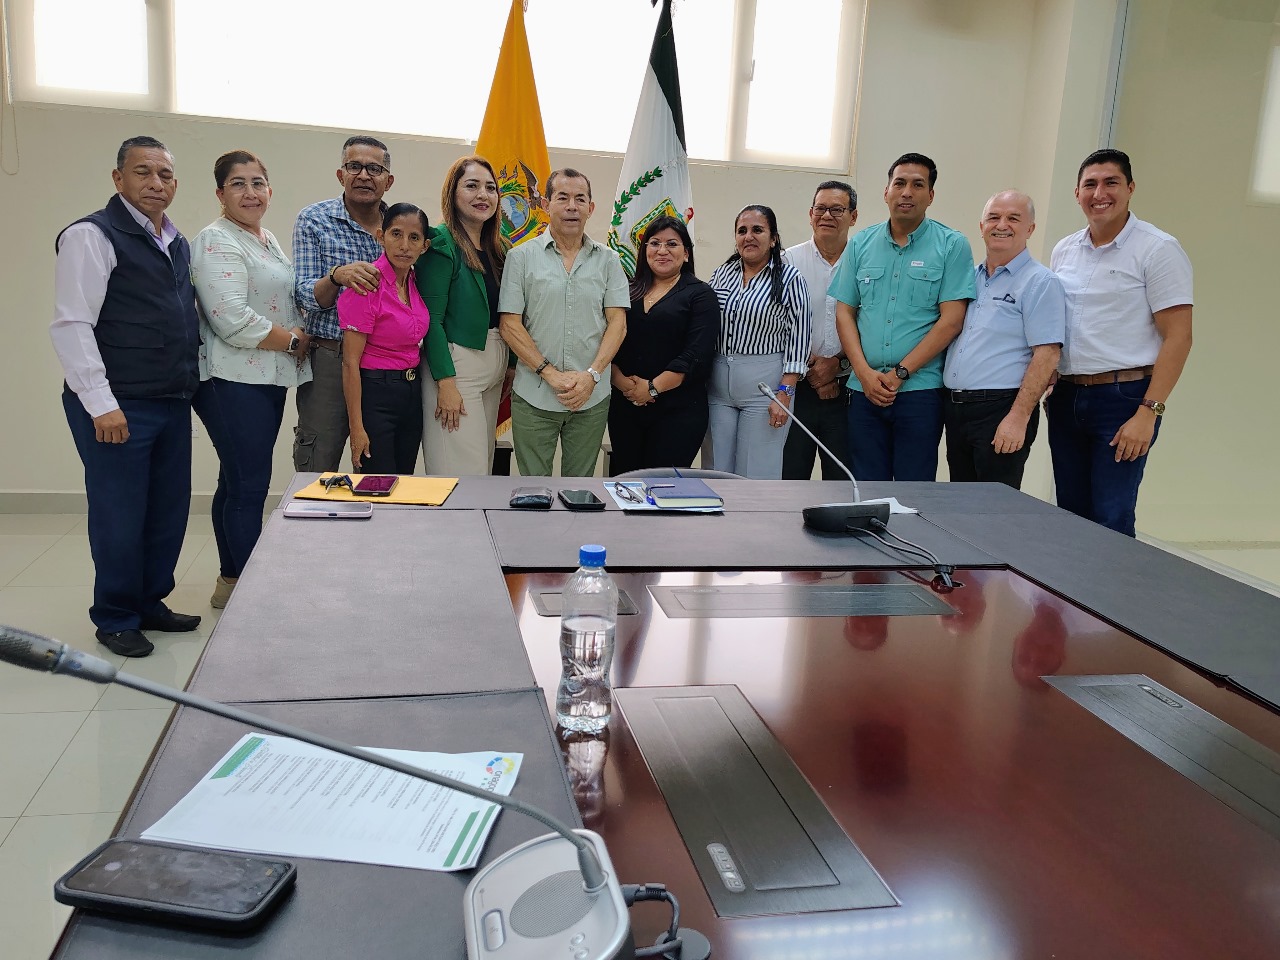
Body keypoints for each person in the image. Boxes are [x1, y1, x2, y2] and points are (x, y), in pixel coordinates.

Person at [51, 136, 202, 658]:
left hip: (171, 398)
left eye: (165, 174)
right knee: (120, 513)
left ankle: (148, 602)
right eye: (143, 172)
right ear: (118, 179)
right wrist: (101, 403)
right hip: (118, 404)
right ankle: (115, 616)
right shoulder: (91, 236)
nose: (155, 183)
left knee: (166, 509)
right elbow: (72, 324)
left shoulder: (175, 241)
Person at [1046, 148, 1193, 537]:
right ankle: (1074, 582)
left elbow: (1179, 336)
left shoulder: (1157, 248)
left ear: (1130, 188)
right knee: (1070, 515)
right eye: (1090, 185)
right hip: (1067, 397)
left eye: (1111, 182)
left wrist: (1149, 411)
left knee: (1111, 517)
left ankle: (1116, 582)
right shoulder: (1064, 250)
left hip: (1124, 400)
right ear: (1077, 193)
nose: (1100, 194)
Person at [191, 150, 312, 610]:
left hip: (263, 378)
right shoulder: (216, 239)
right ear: (220, 193)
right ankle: (248, 592)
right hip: (231, 379)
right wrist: (293, 341)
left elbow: (280, 297)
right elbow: (231, 319)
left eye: (257, 183)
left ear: (269, 191)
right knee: (248, 485)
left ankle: (231, 581)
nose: (250, 192)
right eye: (238, 184)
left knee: (237, 480)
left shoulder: (265, 238)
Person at [831, 152, 976, 481]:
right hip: (863, 390)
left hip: (919, 393)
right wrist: (863, 373)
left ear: (931, 195)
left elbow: (951, 320)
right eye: (899, 183)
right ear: (886, 192)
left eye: (917, 185)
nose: (907, 192)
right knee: (866, 488)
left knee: (914, 490)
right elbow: (844, 312)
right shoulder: (861, 244)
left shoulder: (952, 245)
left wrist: (900, 373)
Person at [498, 168, 629, 477]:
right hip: (535, 395)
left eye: (580, 199)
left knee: (579, 490)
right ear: (546, 204)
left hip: (591, 397)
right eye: (563, 198)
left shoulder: (609, 261)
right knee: (534, 490)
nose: (572, 206)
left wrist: (591, 376)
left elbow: (618, 324)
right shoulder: (520, 257)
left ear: (590, 208)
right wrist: (551, 375)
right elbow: (510, 325)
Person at [942, 191, 1064, 490]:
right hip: (957, 409)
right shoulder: (969, 279)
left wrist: (1018, 417)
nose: (1001, 225)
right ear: (981, 226)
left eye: (1013, 218)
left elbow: (1047, 354)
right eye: (994, 217)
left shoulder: (1040, 282)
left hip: (1001, 409)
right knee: (959, 504)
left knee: (994, 508)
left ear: (1030, 229)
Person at [292, 136, 394, 473]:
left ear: (388, 180)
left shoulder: (400, 226)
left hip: (384, 364)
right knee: (318, 463)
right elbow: (305, 296)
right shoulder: (314, 219)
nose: (364, 175)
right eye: (355, 166)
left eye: (374, 169)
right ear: (341, 175)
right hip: (330, 360)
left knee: (378, 468)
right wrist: (336, 276)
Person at [417, 156, 510, 476]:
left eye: (490, 188)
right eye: (472, 186)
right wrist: (445, 382)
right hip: (456, 367)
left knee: (482, 466)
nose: (483, 195)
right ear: (452, 193)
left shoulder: (500, 248)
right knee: (458, 472)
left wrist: (510, 366)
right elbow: (431, 320)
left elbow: (508, 313)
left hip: (495, 363)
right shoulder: (440, 243)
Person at [608, 216, 719, 474]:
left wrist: (652, 389)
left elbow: (696, 354)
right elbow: (607, 341)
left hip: (678, 411)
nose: (662, 250)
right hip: (625, 406)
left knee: (663, 486)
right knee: (624, 483)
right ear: (644, 250)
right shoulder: (625, 290)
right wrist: (622, 383)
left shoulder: (701, 295)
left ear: (686, 253)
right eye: (655, 243)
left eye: (672, 244)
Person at [707, 205, 811, 480]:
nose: (748, 236)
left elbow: (799, 338)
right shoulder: (722, 273)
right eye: (742, 231)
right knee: (715, 471)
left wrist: (785, 393)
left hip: (765, 389)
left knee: (756, 474)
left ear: (773, 238)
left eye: (757, 230)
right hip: (717, 389)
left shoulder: (790, 279)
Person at [339, 203, 432, 475]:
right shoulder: (368, 285)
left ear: (424, 246)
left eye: (414, 237)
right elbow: (350, 362)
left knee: (404, 482)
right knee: (377, 485)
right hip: (376, 394)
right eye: (396, 234)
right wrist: (356, 428)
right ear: (381, 236)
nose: (404, 245)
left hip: (411, 392)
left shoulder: (414, 281)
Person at [782, 181, 858, 480]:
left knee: (843, 482)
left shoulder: (865, 263)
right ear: (810, 214)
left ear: (853, 216)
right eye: (820, 208)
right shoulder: (788, 261)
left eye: (837, 209)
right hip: (795, 389)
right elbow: (778, 323)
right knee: (790, 479)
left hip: (848, 390)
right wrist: (813, 371)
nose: (827, 215)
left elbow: (872, 321)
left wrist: (838, 363)